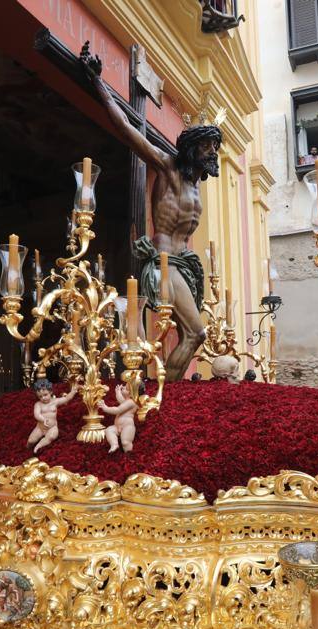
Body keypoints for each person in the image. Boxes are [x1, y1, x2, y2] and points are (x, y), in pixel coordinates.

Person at [82, 42, 218, 382]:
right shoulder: (168, 166)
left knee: (192, 335)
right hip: (162, 262)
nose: (213, 152)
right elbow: (128, 131)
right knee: (195, 333)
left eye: (215, 147)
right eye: (207, 146)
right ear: (191, 148)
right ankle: (164, 395)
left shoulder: (196, 185)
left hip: (183, 267)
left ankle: (165, 393)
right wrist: (98, 84)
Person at [26, 378, 77, 454]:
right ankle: (27, 447)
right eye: (40, 396)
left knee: (51, 436)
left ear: (50, 392)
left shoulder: (55, 402)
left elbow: (66, 398)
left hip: (52, 427)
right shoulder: (38, 404)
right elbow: (37, 414)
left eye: (45, 395)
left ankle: (38, 446)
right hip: (40, 428)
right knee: (31, 441)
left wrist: (73, 392)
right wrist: (43, 419)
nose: (43, 398)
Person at [98, 384, 138, 453]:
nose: (123, 387)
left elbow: (118, 410)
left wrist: (106, 408)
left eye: (126, 388)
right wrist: (118, 392)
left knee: (125, 442)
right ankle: (114, 444)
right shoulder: (126, 401)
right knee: (109, 430)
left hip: (127, 427)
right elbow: (120, 400)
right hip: (117, 426)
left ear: (131, 394)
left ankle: (129, 454)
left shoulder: (131, 402)